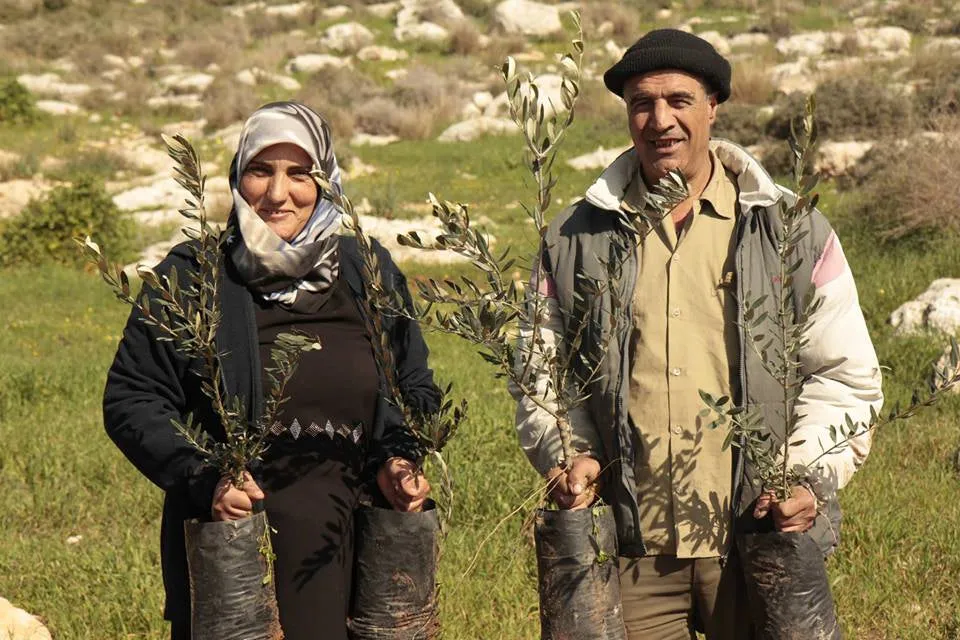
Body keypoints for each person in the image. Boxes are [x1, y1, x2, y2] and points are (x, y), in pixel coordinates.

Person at [513, 29, 883, 638]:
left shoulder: (790, 232)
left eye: (679, 100)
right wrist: (566, 455)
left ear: (714, 106)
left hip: (756, 543)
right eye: (642, 103)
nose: (660, 120)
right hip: (631, 551)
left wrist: (805, 475)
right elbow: (541, 372)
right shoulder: (573, 239)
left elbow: (843, 376)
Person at [103, 101, 439, 640]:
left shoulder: (367, 272)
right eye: (261, 170)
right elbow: (133, 398)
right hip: (235, 555)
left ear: (325, 180)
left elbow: (414, 386)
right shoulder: (194, 277)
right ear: (238, 178)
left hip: (354, 555)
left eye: (299, 173)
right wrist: (207, 477)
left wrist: (398, 457)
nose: (277, 193)